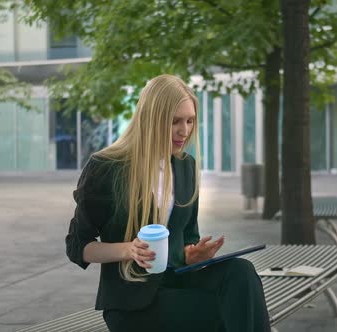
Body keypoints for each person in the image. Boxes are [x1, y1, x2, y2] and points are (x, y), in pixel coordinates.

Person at [66, 74, 271, 332]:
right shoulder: (106, 168)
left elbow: (187, 236)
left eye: (189, 121)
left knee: (241, 273)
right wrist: (128, 250)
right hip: (132, 304)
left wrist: (192, 254)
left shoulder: (186, 166)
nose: (184, 131)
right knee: (230, 313)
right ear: (151, 119)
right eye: (174, 121)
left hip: (176, 281)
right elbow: (78, 247)